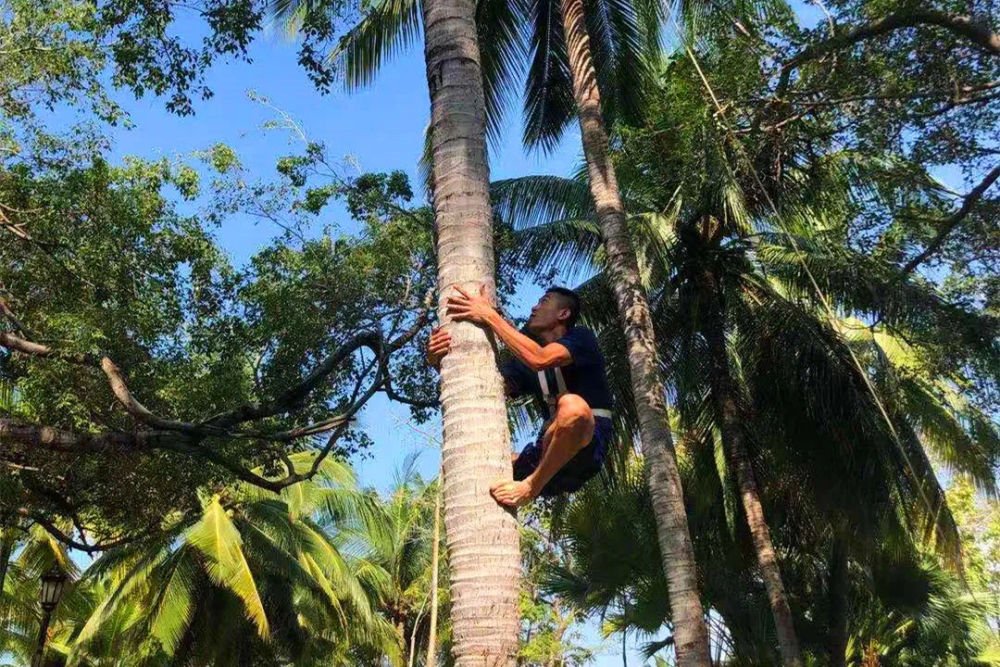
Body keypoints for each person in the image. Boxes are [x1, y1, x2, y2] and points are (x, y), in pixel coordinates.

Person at [427, 285, 614, 507]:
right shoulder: (522, 362)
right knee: (473, 465)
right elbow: (483, 389)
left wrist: (489, 316)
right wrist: (439, 360)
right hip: (546, 453)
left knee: (573, 407)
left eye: (544, 301)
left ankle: (529, 488)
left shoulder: (581, 338)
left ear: (563, 314)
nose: (534, 307)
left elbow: (541, 358)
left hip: (586, 446)